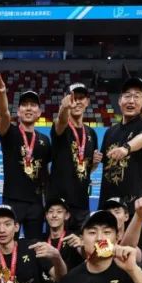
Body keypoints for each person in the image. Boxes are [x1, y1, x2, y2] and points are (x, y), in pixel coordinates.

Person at [99, 76, 142, 239]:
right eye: (127, 96)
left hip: (131, 207)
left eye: (137, 96)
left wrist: (126, 148)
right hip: (107, 206)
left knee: (128, 249)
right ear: (120, 100)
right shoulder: (110, 132)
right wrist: (96, 161)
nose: (131, 101)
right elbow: (103, 162)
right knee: (103, 248)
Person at [0, 79, 51, 241]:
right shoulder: (9, 132)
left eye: (33, 105)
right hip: (13, 200)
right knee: (8, 246)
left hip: (36, 204)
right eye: (24, 105)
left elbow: (46, 174)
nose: (28, 108)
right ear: (18, 111)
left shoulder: (44, 140)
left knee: (35, 247)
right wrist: (1, 93)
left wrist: (48, 202)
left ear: (39, 112)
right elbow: (3, 113)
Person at [49, 83, 102, 230]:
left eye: (81, 98)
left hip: (82, 202)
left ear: (87, 101)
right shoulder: (61, 127)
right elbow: (61, 121)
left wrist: (94, 164)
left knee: (81, 243)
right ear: (66, 99)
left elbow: (86, 169)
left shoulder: (91, 133)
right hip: (59, 205)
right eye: (73, 97)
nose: (77, 102)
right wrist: (64, 107)